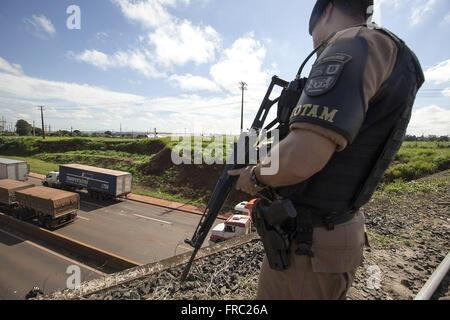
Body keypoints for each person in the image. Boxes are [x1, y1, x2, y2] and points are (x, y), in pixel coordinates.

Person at [228, 0, 424, 300]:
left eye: (315, 39)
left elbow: (301, 158)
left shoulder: (354, 42)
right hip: (335, 231)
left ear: (328, 9)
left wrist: (254, 177)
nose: (319, 49)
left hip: (309, 247)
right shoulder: (394, 55)